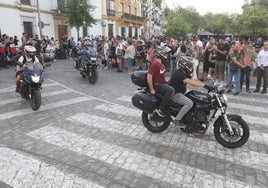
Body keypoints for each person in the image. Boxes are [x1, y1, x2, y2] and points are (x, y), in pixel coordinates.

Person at [169, 56, 213, 127]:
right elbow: (192, 83)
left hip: (180, 93)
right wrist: (204, 86)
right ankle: (176, 121)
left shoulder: (183, 73)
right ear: (185, 65)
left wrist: (206, 85)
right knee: (189, 103)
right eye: (189, 65)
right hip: (175, 94)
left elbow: (195, 79)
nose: (190, 66)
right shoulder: (179, 74)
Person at [147, 46, 174, 117]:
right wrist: (152, 89)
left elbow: (161, 76)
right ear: (160, 53)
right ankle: (160, 108)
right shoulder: (155, 64)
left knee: (172, 87)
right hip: (157, 84)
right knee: (170, 90)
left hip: (161, 83)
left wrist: (167, 81)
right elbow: (149, 76)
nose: (167, 55)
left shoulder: (161, 64)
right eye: (165, 53)